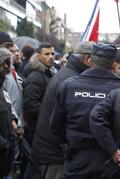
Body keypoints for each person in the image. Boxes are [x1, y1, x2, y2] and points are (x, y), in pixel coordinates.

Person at [50, 44, 120, 179]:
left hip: (80, 157)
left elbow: (56, 125)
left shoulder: (69, 86)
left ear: (90, 60)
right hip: (108, 159)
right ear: (113, 63)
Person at [31, 42, 94, 179]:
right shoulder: (71, 80)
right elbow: (60, 122)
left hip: (53, 151)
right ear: (88, 58)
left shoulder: (70, 74)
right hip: (54, 155)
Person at [23, 43, 56, 142]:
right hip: (38, 126)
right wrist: (49, 114)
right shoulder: (37, 75)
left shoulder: (46, 72)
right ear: (38, 56)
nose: (51, 57)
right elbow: (31, 103)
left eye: (52, 54)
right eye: (47, 54)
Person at [0, 47, 17, 179]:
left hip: (6, 158)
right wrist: (4, 144)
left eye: (7, 62)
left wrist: (13, 120)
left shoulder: (2, 88)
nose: (6, 66)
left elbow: (8, 107)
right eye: (2, 63)